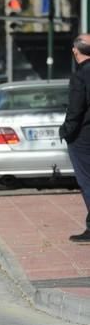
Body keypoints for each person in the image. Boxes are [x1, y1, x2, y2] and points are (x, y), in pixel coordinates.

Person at [60, 34, 90, 242]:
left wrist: (66, 131)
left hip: (83, 136)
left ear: (75, 51)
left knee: (87, 181)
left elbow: (76, 109)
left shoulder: (80, 76)